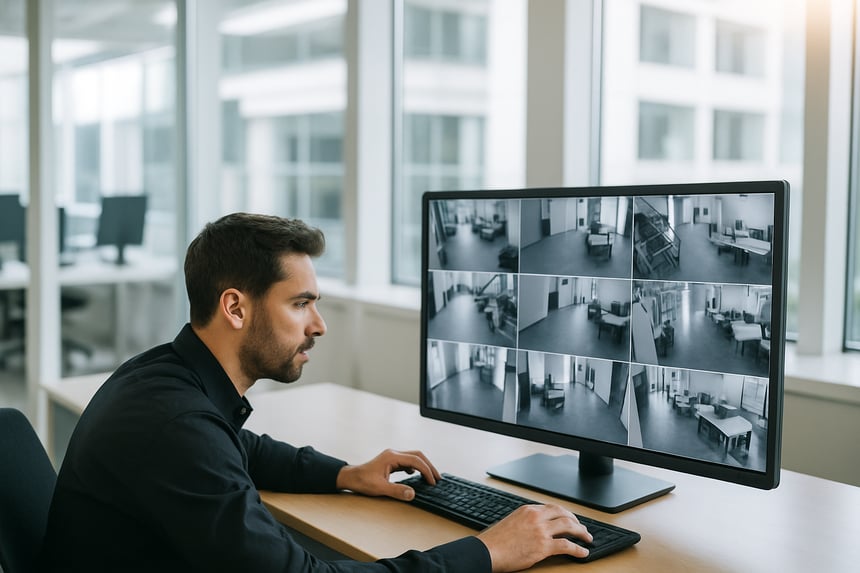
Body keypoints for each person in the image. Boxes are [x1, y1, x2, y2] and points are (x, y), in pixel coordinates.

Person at [42, 213, 592, 572]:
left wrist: (345, 475)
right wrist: (488, 550)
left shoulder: (167, 377)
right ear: (235, 307)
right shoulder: (177, 428)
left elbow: (239, 447)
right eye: (300, 303)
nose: (319, 325)